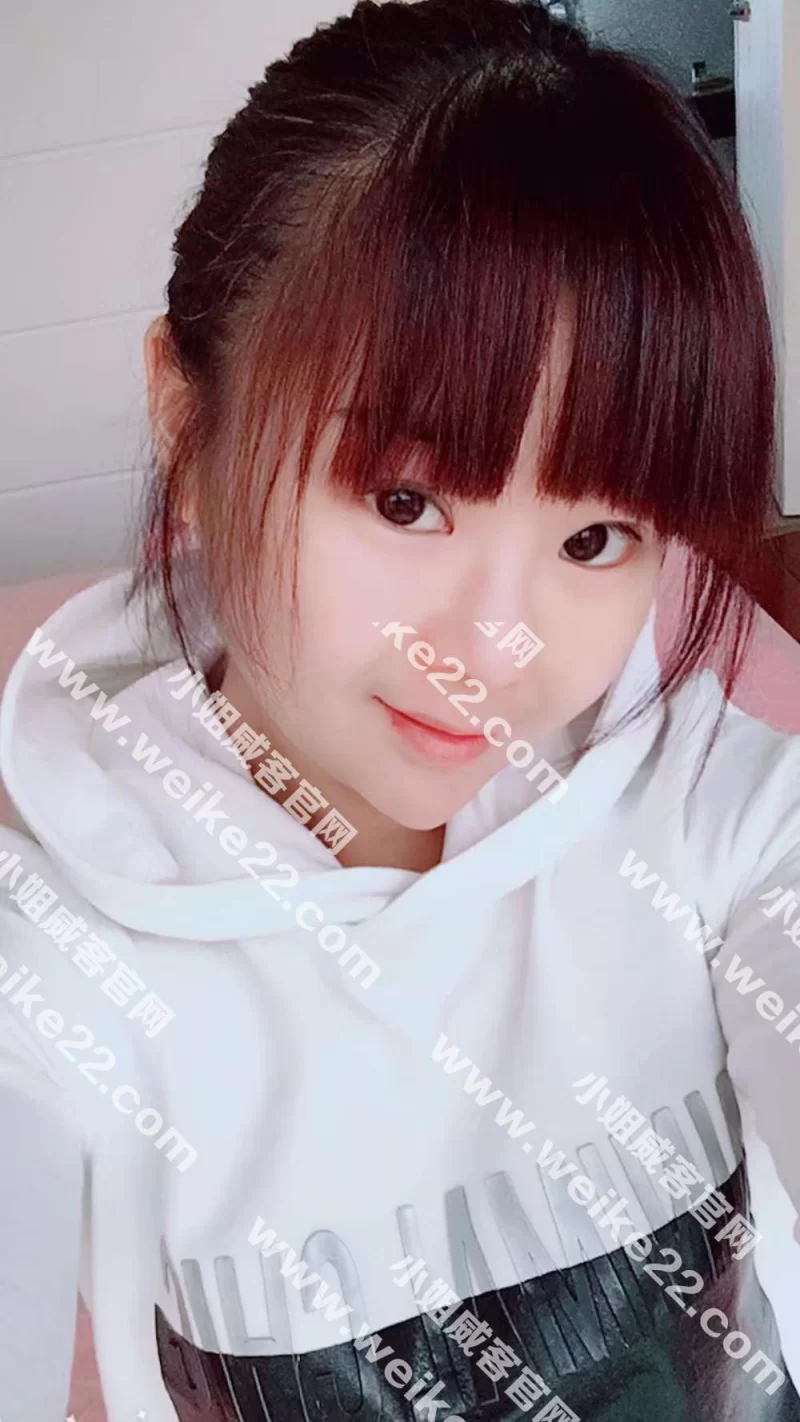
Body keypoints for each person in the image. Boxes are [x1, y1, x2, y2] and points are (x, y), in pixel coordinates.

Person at [1, 0, 799, 1417]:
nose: (496, 648)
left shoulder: (703, 803)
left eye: (596, 536)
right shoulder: (66, 962)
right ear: (188, 428)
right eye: (406, 500)